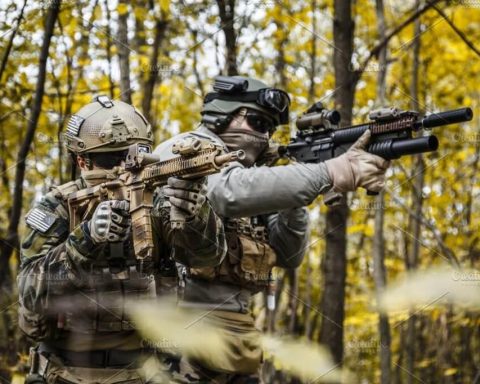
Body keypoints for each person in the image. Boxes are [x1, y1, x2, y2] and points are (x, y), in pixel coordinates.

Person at [154, 76, 391, 383]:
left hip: (237, 343)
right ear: (222, 114)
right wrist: (330, 170)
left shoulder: (251, 174)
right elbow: (228, 192)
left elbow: (289, 254)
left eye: (269, 128)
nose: (263, 136)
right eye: (256, 121)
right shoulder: (186, 149)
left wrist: (294, 199)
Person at [17, 96, 226, 384]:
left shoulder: (159, 201)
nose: (122, 168)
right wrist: (86, 238)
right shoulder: (59, 206)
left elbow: (208, 260)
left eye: (131, 156)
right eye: (109, 160)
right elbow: (29, 291)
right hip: (67, 372)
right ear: (82, 161)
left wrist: (195, 215)